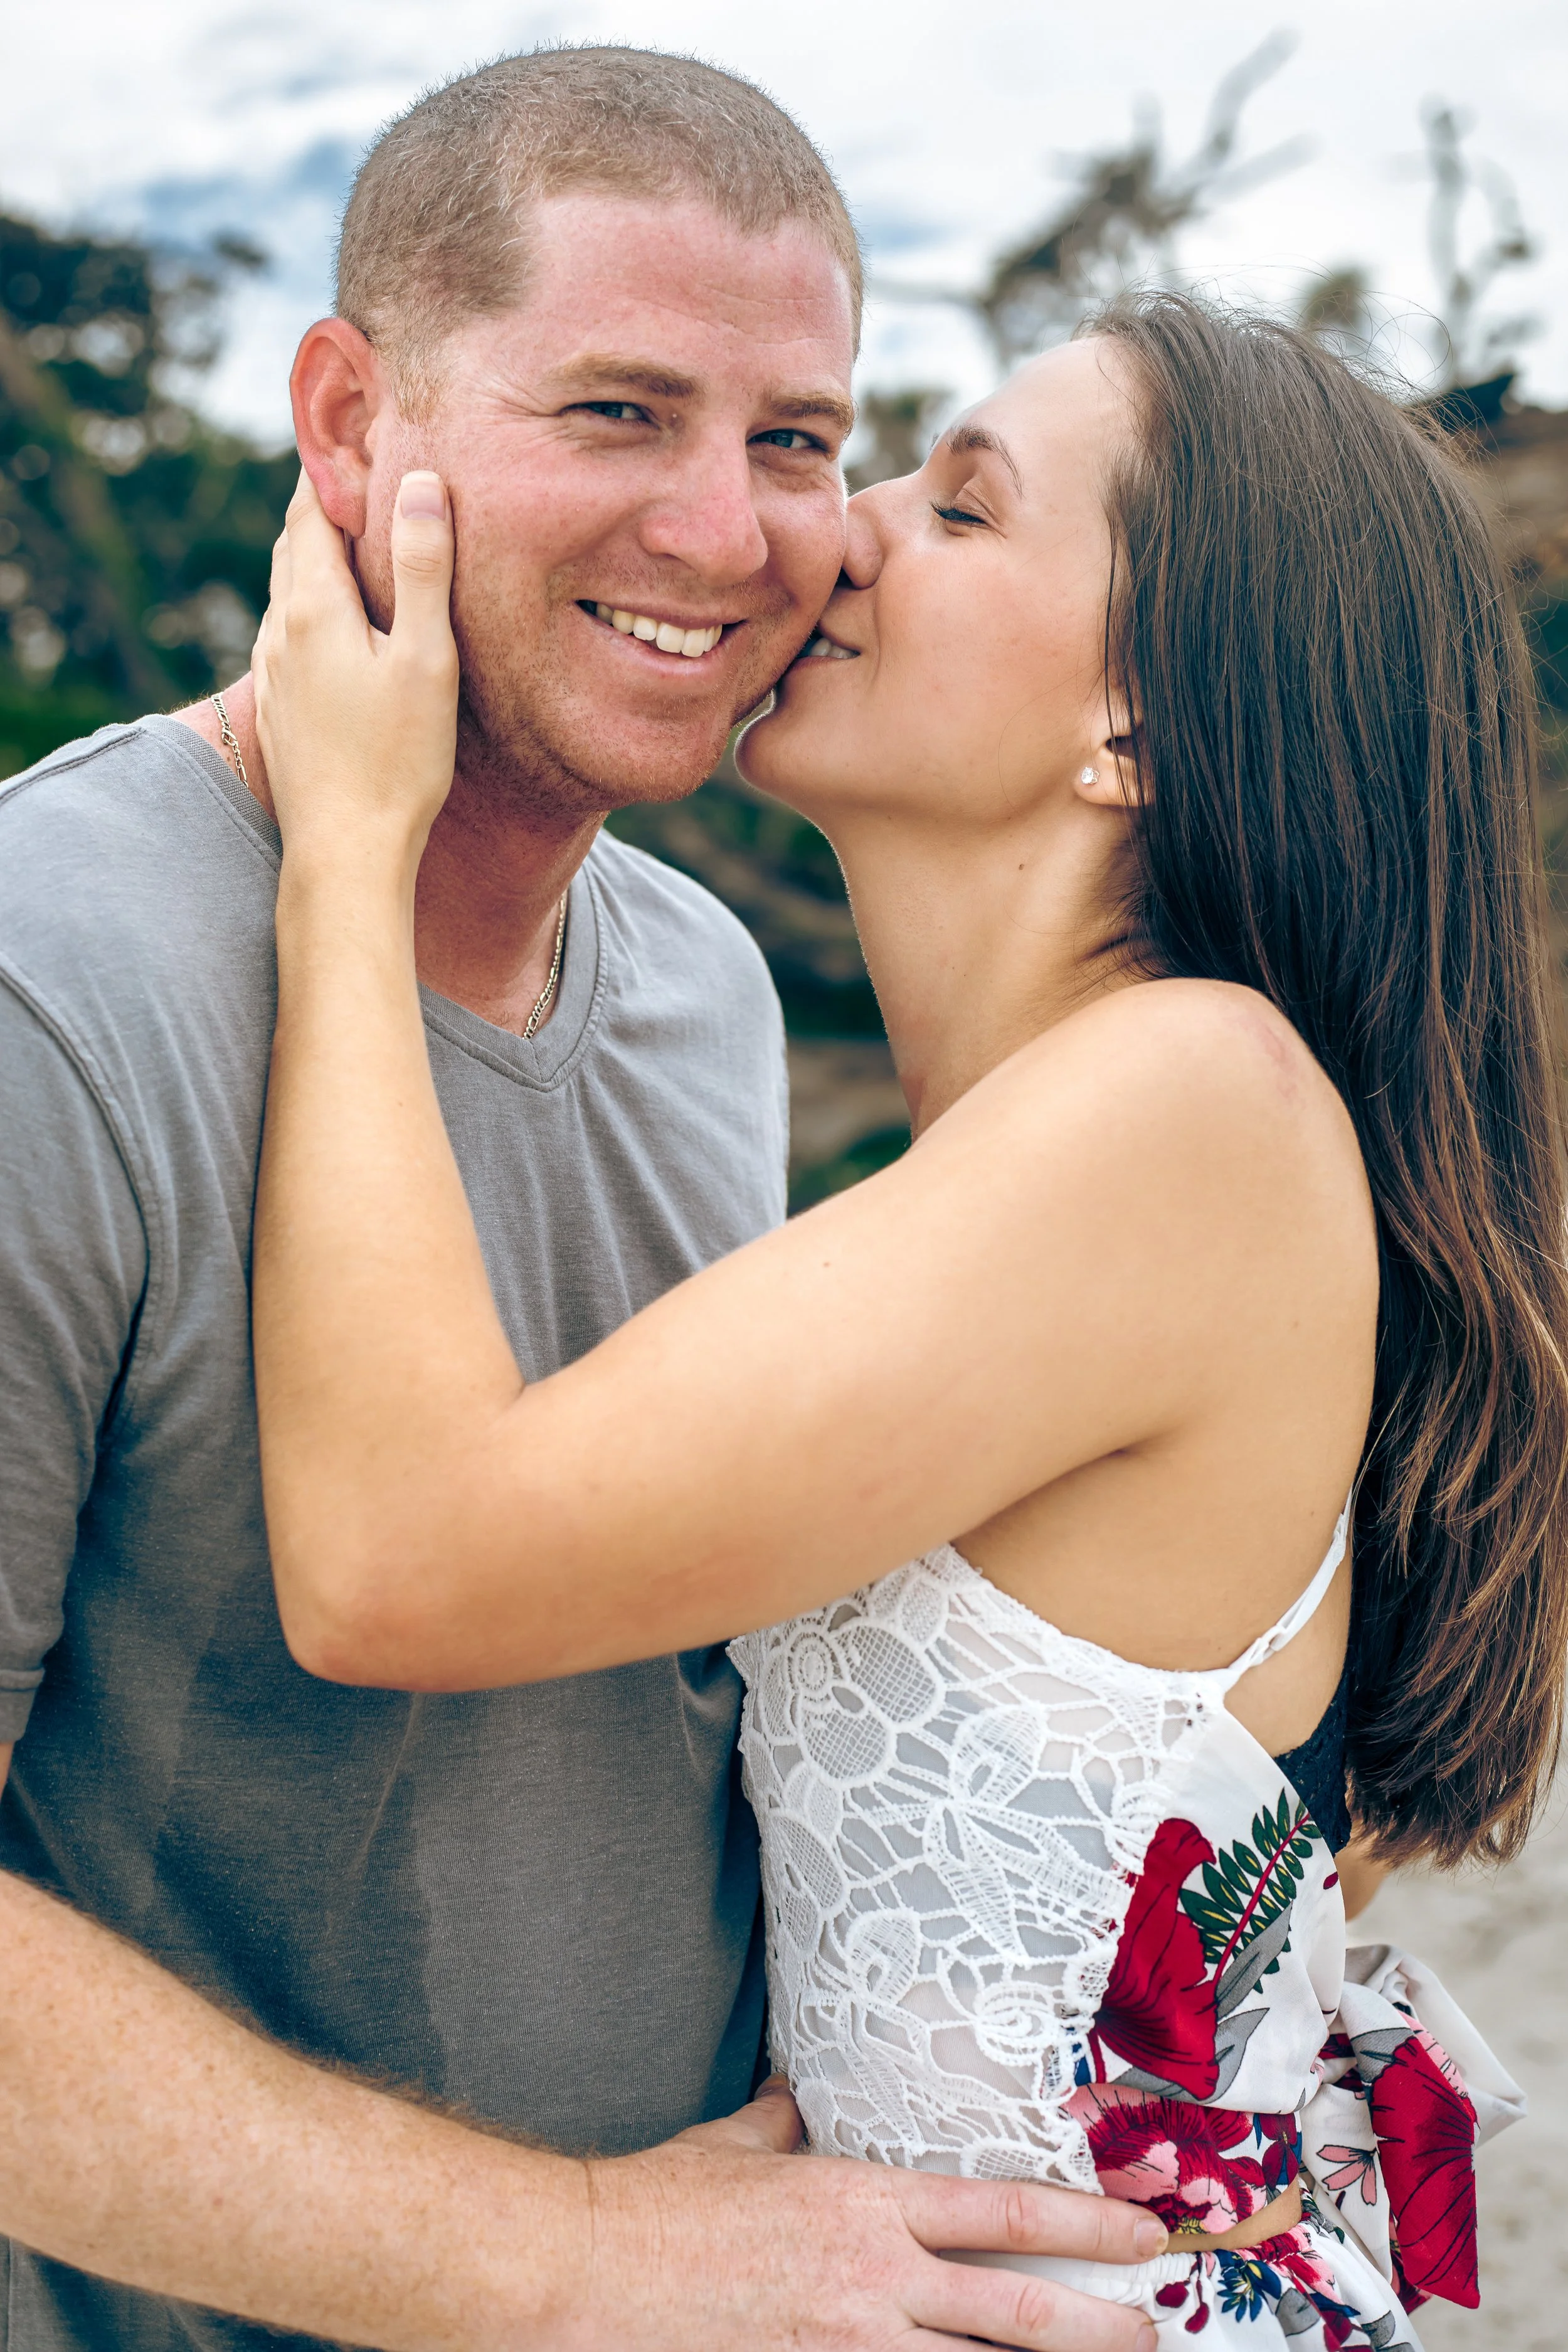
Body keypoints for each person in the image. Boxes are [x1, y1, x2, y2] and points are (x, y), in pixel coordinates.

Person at [246, 291, 1562, 2347]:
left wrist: (346, 843)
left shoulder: (1189, 1101)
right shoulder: (1083, 1148)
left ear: (1137, 721)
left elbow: (394, 1560)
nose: (835, 529)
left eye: (959, 506)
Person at [0, 46, 1163, 2352]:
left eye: (798, 440)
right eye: (616, 414)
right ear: (351, 426)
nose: (731, 537)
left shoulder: (707, 984)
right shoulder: (53, 977)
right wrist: (571, 2261)